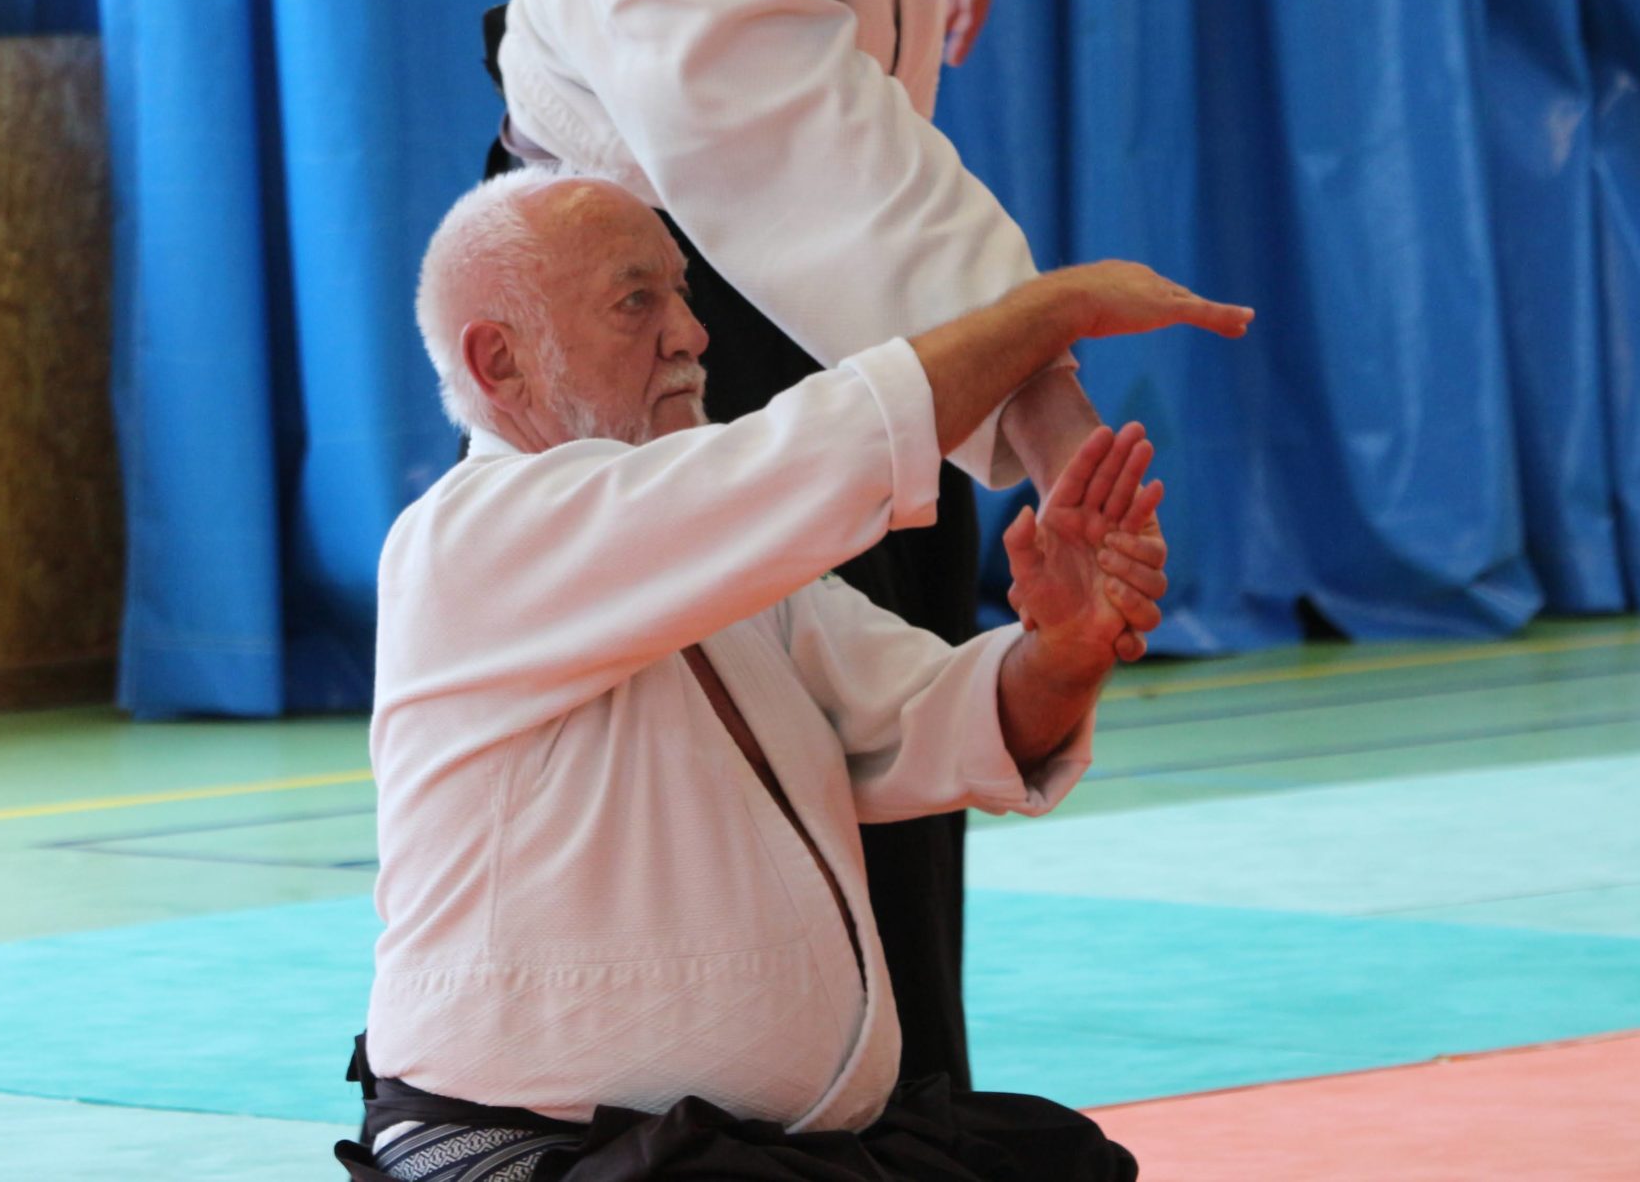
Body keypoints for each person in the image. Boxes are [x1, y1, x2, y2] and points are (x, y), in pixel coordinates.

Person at [487, 0, 1119, 1086]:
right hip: (646, 272)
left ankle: (919, 1105)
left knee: (912, 624)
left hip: (831, 192)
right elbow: (878, 214)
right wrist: (1059, 437)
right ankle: (801, 1114)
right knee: (773, 712)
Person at [342, 169, 1252, 1181]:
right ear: (499, 360)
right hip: (531, 1151)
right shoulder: (470, 536)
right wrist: (1044, 314)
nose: (691, 333)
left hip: (760, 1152)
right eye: (637, 300)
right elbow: (806, 458)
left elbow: (932, 718)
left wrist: (1066, 648)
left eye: (685, 292)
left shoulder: (724, 567)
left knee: (1060, 1162)